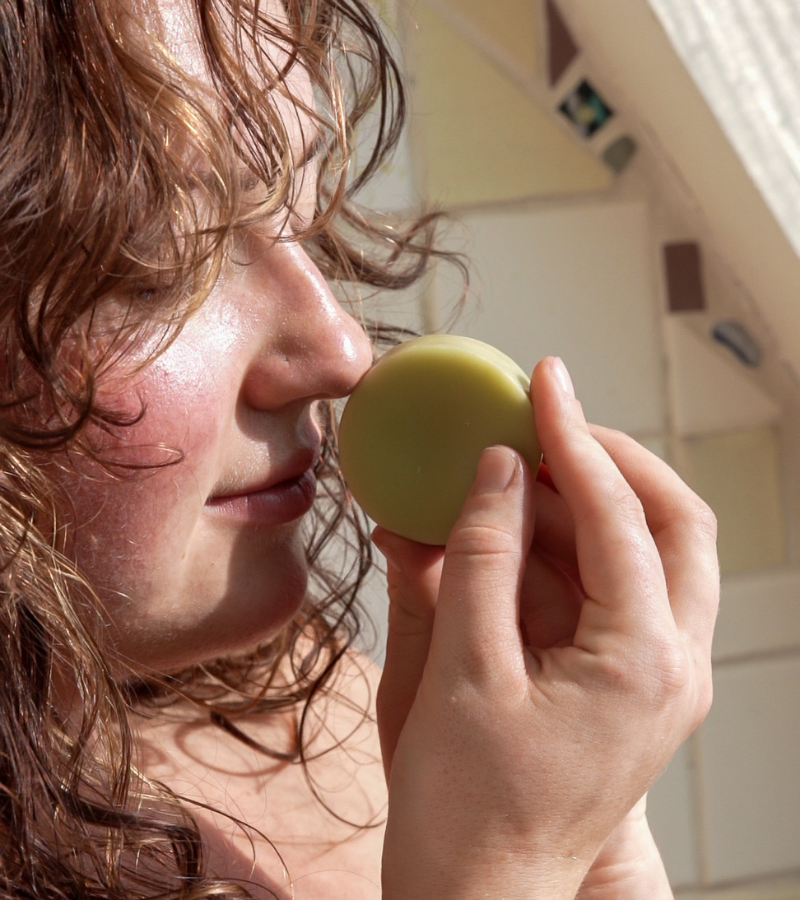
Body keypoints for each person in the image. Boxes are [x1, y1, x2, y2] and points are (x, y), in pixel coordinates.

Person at [0, 0, 719, 897]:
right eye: (156, 264)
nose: (342, 350)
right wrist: (508, 863)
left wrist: (598, 843)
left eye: (300, 215)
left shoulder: (294, 698)